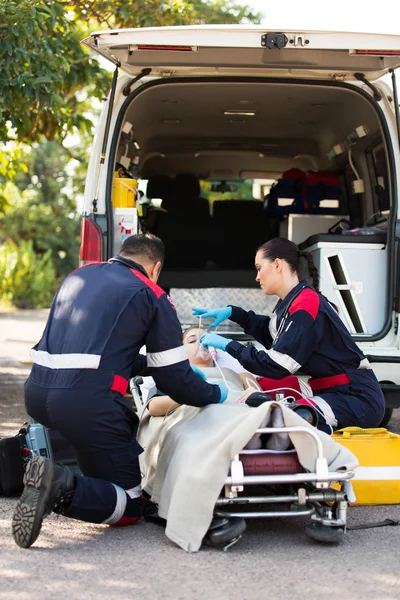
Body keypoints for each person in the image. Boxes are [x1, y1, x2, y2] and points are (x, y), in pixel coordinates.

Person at [12, 234, 228, 549]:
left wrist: (144, 366)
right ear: (155, 268)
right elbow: (173, 379)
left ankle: (57, 475)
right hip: (86, 405)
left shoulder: (78, 277)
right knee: (129, 504)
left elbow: (99, 351)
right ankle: (59, 485)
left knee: (100, 472)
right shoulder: (151, 294)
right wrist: (212, 394)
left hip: (38, 395)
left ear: (121, 254)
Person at [194, 237, 385, 433]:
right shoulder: (291, 304)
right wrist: (235, 313)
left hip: (356, 399)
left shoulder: (306, 305)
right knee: (265, 392)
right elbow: (273, 336)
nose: (257, 277)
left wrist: (228, 345)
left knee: (283, 419)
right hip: (332, 391)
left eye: (259, 268)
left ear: (277, 265)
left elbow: (278, 365)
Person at [147, 325, 261, 417]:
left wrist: (254, 395)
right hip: (197, 424)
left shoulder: (241, 376)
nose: (201, 343)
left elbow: (264, 401)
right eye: (192, 341)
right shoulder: (173, 377)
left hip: (238, 416)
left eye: (205, 338)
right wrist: (190, 395)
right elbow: (153, 407)